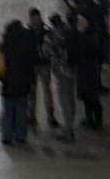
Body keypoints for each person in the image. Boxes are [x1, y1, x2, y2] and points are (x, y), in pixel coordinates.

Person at [0, 19, 38, 146]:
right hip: (23, 83)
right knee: (21, 110)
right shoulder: (26, 44)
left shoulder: (3, 46)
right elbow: (32, 62)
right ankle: (21, 135)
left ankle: (6, 135)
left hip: (8, 84)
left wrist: (3, 79)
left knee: (8, 110)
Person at [70, 11, 104, 131]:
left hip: (90, 68)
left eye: (81, 21)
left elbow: (92, 50)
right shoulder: (78, 34)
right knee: (85, 95)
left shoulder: (92, 35)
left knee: (92, 96)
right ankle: (89, 118)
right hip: (82, 68)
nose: (79, 23)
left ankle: (98, 120)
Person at [25, 8, 58, 129]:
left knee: (42, 90)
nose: (35, 20)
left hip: (41, 64)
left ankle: (41, 116)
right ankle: (37, 116)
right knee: (39, 91)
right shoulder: (43, 31)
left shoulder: (35, 32)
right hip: (39, 64)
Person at [47, 13, 76, 141]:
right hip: (72, 69)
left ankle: (68, 130)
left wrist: (48, 42)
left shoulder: (56, 34)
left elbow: (49, 50)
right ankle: (70, 125)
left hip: (61, 70)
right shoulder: (70, 30)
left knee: (64, 101)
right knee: (70, 98)